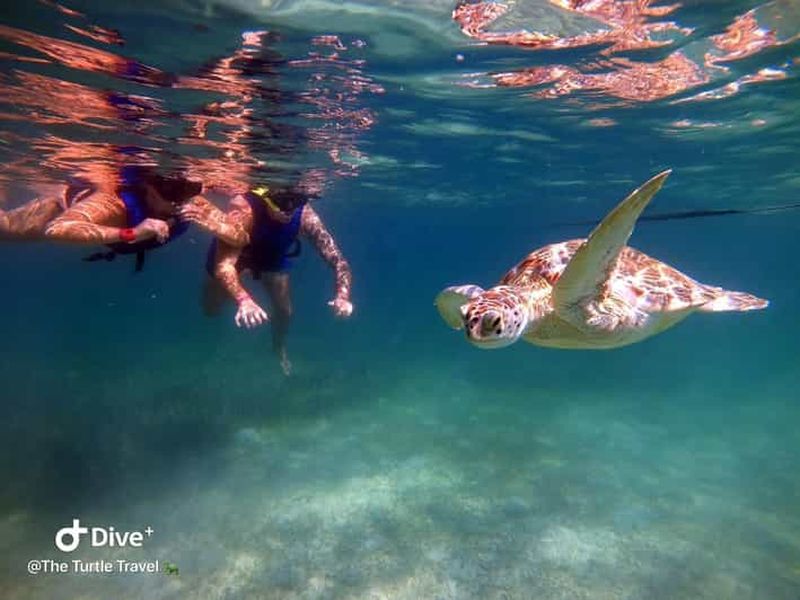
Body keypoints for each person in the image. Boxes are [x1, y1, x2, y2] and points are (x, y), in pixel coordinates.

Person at [180, 180, 353, 376]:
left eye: (295, 201)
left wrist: (343, 295)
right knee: (210, 308)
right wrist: (244, 300)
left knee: (284, 310)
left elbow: (338, 261)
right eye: (280, 202)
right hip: (237, 254)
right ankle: (204, 341)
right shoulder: (244, 207)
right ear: (266, 197)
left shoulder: (305, 215)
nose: (287, 210)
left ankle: (278, 347)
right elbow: (224, 266)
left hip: (272, 255)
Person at [44, 165, 208, 271]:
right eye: (171, 192)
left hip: (119, 246)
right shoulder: (116, 205)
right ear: (148, 187)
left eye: (191, 191)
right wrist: (132, 233)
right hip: (53, 210)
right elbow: (56, 228)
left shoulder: (190, 205)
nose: (178, 202)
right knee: (18, 231)